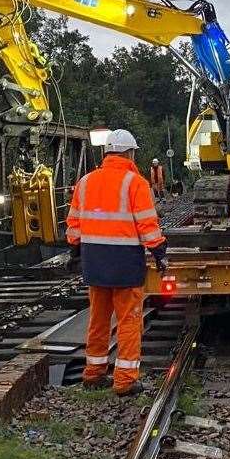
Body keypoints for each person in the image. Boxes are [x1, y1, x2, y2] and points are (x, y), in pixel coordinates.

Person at [66, 129, 168, 396]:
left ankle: (93, 373)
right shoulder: (135, 183)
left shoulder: (85, 182)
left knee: (98, 320)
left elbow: (74, 225)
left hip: (95, 262)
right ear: (131, 153)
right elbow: (147, 225)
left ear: (106, 153)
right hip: (125, 263)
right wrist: (159, 252)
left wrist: (74, 251)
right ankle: (124, 380)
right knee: (128, 320)